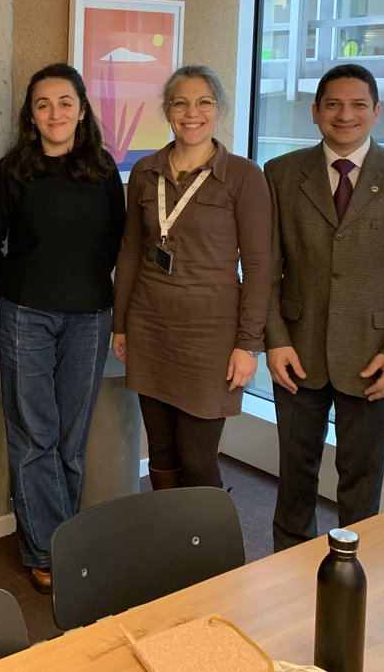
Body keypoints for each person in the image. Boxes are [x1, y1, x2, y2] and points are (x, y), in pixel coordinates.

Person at [265, 63, 384, 551]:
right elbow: (266, 270)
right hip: (297, 352)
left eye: (358, 105)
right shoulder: (281, 173)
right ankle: (286, 570)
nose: (345, 115)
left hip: (377, 358)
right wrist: (275, 340)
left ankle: (353, 575)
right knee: (293, 477)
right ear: (315, 112)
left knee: (362, 482)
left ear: (376, 112)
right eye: (333, 105)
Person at [0, 63, 125, 596]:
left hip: (89, 316)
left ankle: (63, 537)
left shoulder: (103, 171)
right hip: (26, 314)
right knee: (33, 434)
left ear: (82, 111)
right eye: (43, 104)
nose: (55, 113)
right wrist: (15, 281)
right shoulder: (11, 171)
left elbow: (115, 243)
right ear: (31, 114)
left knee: (71, 439)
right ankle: (45, 550)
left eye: (65, 103)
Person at [112, 65, 270, 493]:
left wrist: (248, 344)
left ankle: (211, 539)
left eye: (204, 103)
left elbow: (259, 266)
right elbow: (131, 250)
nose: (192, 113)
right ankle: (170, 534)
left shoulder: (243, 176)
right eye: (180, 103)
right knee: (162, 452)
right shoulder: (145, 171)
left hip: (211, 337)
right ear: (167, 110)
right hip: (150, 326)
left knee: (198, 459)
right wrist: (120, 324)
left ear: (219, 109)